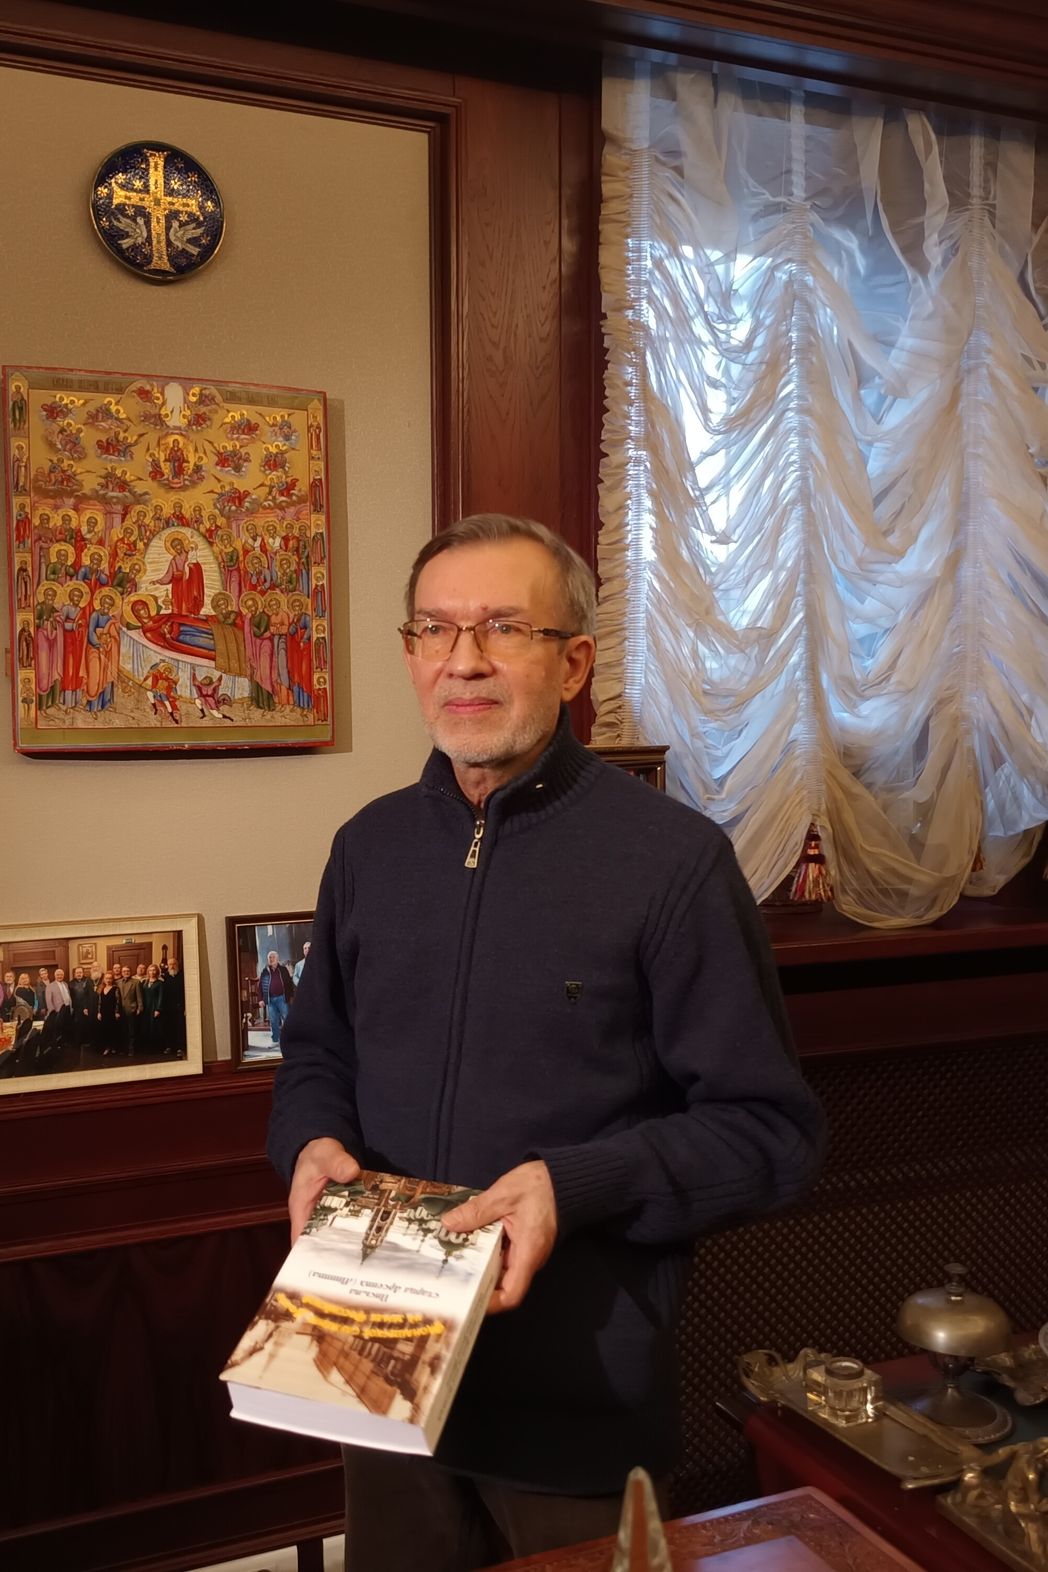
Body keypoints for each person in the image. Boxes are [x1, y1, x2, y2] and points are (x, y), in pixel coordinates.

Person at [267, 514, 825, 1572]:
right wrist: (309, 1142)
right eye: (436, 630)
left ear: (572, 664)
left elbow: (770, 1134)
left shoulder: (672, 862)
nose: (463, 660)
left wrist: (572, 1186)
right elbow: (317, 1054)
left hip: (578, 1401)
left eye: (503, 628)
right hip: (376, 1368)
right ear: (409, 654)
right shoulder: (368, 847)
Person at [258, 951, 294, 1046]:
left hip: (282, 998)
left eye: (273, 957)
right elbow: (260, 986)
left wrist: (291, 996)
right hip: (271, 1000)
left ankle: (289, 1039)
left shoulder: (283, 969)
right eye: (269, 957)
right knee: (273, 1021)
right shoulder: (265, 971)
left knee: (286, 1019)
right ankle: (275, 1040)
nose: (271, 959)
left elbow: (289, 984)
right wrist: (260, 999)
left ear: (277, 959)